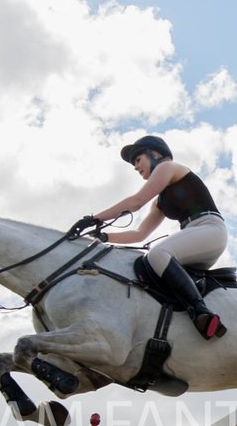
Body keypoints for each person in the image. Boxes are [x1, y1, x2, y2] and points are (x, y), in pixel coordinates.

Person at [71, 135, 228, 339]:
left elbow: (136, 202)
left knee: (158, 253)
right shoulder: (160, 201)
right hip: (197, 237)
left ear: (155, 154)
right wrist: (103, 235)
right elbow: (140, 234)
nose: (136, 167)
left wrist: (94, 218)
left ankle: (202, 313)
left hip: (209, 229)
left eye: (138, 160)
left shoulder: (167, 167)